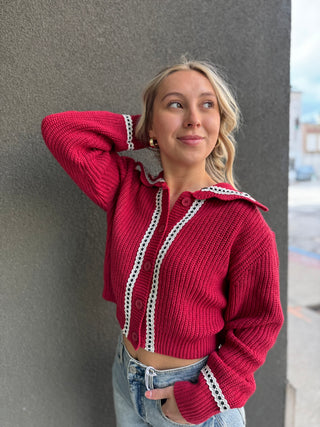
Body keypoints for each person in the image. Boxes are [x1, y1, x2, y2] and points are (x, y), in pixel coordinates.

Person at [41, 59, 284, 426]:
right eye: (175, 104)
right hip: (125, 378)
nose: (193, 118)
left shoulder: (242, 222)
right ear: (151, 121)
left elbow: (259, 323)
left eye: (207, 105)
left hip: (192, 397)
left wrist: (204, 397)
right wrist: (147, 130)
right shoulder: (128, 191)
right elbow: (61, 131)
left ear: (219, 121)